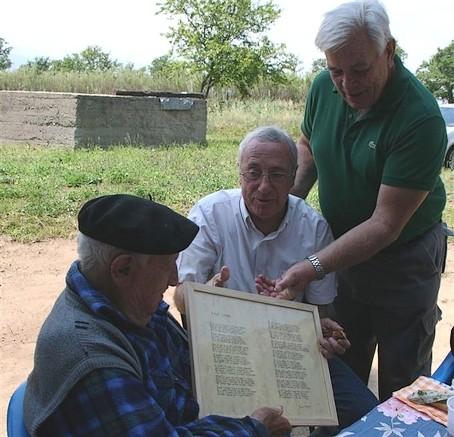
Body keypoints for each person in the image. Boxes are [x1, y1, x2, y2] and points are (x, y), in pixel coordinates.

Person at [273, 0, 447, 402]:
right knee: (338, 362)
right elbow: (309, 147)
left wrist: (313, 265)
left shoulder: (419, 118)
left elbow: (385, 225)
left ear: (389, 50)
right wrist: (286, 206)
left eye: (360, 69)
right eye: (336, 71)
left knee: (403, 383)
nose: (347, 85)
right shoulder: (323, 88)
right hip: (342, 252)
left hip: (405, 260)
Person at [24, 194, 292, 436]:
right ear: (122, 270)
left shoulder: (126, 304)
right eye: (167, 266)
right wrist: (254, 428)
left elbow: (191, 358)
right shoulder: (96, 363)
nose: (175, 279)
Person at [175, 126, 378, 432]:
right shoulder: (210, 214)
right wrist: (204, 296)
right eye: (253, 173)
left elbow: (320, 313)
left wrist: (320, 332)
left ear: (294, 176)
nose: (264, 186)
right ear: (239, 174)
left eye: (277, 174)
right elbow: (180, 294)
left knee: (364, 415)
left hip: (288, 352)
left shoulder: (313, 228)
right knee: (222, 421)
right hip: (221, 350)